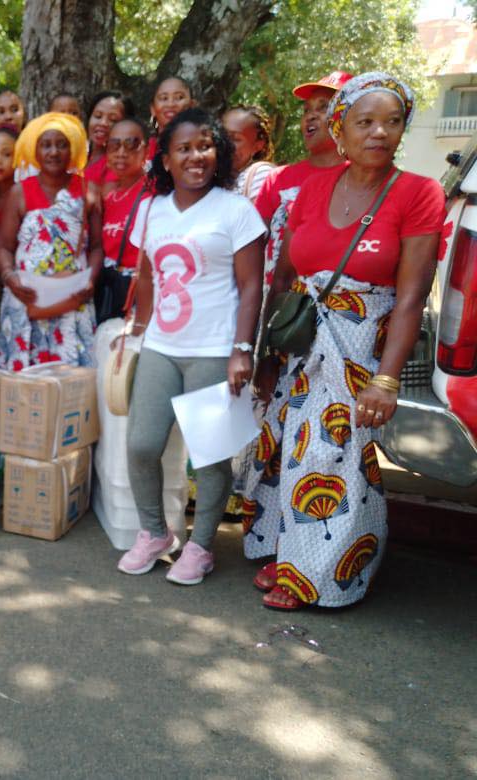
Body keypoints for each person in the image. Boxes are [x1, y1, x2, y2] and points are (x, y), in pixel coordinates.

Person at [246, 73, 444, 610]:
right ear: (341, 128)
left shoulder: (417, 193)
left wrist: (384, 380)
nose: (379, 132)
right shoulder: (311, 188)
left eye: (393, 121)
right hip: (301, 345)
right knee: (288, 448)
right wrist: (266, 353)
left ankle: (325, 574)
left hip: (360, 352)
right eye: (365, 121)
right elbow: (284, 276)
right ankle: (291, 552)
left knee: (334, 457)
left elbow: (410, 298)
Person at [118, 107, 265, 585]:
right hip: (161, 344)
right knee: (142, 445)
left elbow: (252, 286)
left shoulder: (236, 209)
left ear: (218, 153)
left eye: (205, 145)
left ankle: (200, 545)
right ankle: (156, 533)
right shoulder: (151, 209)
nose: (196, 156)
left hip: (214, 347)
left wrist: (242, 348)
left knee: (209, 454)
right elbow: (147, 276)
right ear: (165, 160)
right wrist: (136, 332)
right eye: (184, 148)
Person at [0, 112, 101, 370]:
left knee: (71, 384)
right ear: (36, 150)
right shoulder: (19, 192)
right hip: (26, 300)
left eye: (61, 144)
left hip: (73, 301)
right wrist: (11, 278)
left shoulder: (88, 190)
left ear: (73, 149)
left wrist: (91, 280)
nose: (54, 152)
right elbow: (3, 247)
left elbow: (96, 246)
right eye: (46, 145)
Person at [252, 71, 352, 291]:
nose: (311, 116)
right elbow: (253, 248)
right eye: (306, 110)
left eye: (323, 107)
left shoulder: (363, 180)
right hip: (282, 312)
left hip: (341, 310)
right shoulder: (278, 179)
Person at [95, 118, 150, 323]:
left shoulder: (154, 193)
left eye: (131, 144)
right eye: (114, 145)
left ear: (145, 150)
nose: (121, 152)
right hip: (110, 288)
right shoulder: (109, 195)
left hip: (138, 295)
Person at [223, 105, 275, 203]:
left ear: (258, 145)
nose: (225, 143)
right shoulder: (215, 177)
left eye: (235, 139)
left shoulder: (261, 175)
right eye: (222, 135)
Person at [84, 90, 133, 186]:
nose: (103, 123)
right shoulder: (74, 154)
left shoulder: (119, 164)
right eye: (98, 116)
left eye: (113, 120)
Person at [147, 77, 193, 164]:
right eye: (164, 98)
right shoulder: (142, 150)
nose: (171, 104)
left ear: (192, 105)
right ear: (153, 109)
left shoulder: (203, 149)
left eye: (179, 97)